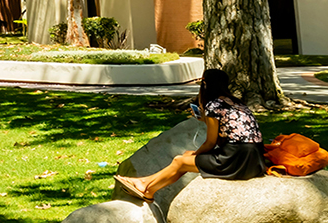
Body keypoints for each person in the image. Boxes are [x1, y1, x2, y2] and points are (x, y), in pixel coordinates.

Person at [114, 67, 266, 201]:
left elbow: (210, 143)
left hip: (235, 160)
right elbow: (230, 132)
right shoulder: (237, 103)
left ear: (205, 85)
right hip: (254, 159)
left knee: (181, 161)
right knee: (185, 157)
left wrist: (195, 155)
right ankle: (145, 183)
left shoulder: (214, 105)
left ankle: (148, 189)